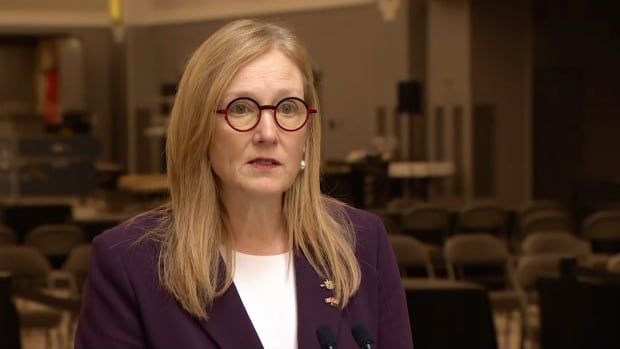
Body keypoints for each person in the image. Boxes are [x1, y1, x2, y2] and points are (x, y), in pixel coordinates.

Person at [75, 19, 412, 349]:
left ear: (308, 133)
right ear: (199, 130)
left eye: (289, 108)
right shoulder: (129, 264)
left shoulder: (362, 243)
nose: (268, 133)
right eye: (241, 108)